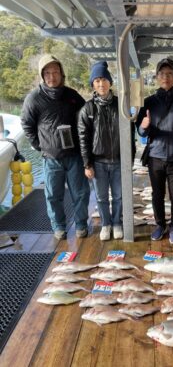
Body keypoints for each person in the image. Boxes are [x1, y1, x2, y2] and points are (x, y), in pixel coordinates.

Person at [21, 54, 90, 240]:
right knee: (53, 196)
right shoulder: (34, 98)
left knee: (81, 193)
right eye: (48, 73)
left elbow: (85, 121)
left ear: (62, 73)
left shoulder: (72, 95)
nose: (52, 76)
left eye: (56, 72)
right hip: (51, 158)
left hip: (74, 156)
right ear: (42, 75)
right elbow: (27, 125)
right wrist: (39, 146)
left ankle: (82, 224)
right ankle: (59, 226)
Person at [136, 58, 173, 245]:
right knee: (157, 194)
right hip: (155, 156)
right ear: (157, 77)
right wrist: (144, 127)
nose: (165, 77)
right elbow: (142, 131)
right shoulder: (149, 102)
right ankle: (160, 224)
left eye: (169, 74)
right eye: (162, 74)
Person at [78, 61, 124, 241]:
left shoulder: (120, 105)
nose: (101, 84)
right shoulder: (87, 109)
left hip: (119, 161)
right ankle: (106, 224)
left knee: (119, 196)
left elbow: (130, 132)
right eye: (96, 81)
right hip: (98, 162)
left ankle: (117, 222)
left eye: (104, 79)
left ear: (110, 82)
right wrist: (87, 163)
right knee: (102, 197)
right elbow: (84, 139)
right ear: (93, 85)